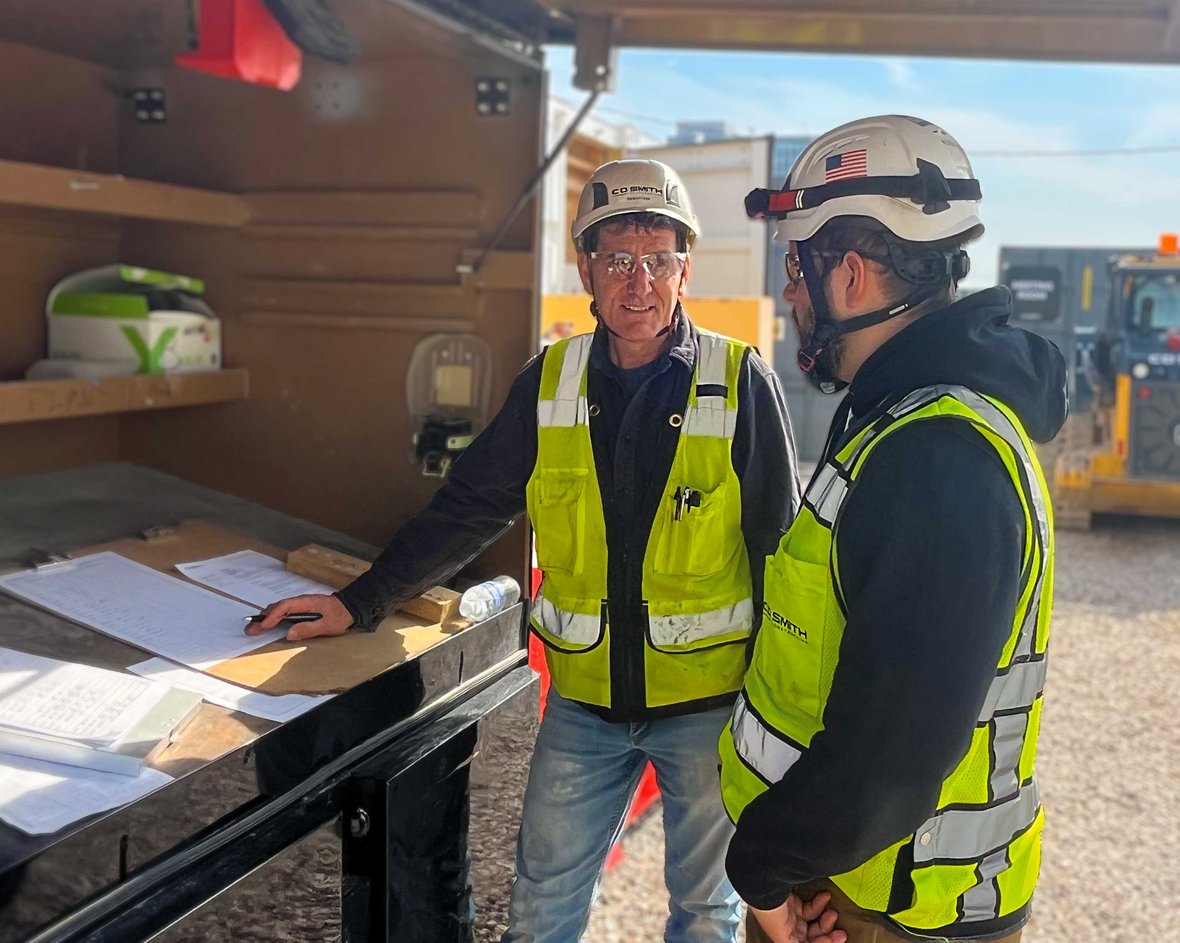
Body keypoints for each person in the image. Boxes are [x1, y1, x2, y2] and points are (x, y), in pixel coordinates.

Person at [251, 159, 807, 943]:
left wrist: (778, 711)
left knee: (704, 910)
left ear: (686, 269)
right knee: (540, 904)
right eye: (617, 259)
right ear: (587, 268)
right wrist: (360, 600)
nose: (637, 282)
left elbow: (781, 551)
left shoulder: (738, 380)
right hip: (584, 709)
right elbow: (468, 507)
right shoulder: (551, 382)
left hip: (708, 708)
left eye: (657, 260)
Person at [720, 115, 1067, 943]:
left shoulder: (938, 458)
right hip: (852, 876)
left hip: (893, 910)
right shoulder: (897, 417)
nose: (791, 294)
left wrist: (760, 871)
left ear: (847, 276)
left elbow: (894, 761)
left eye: (796, 268)